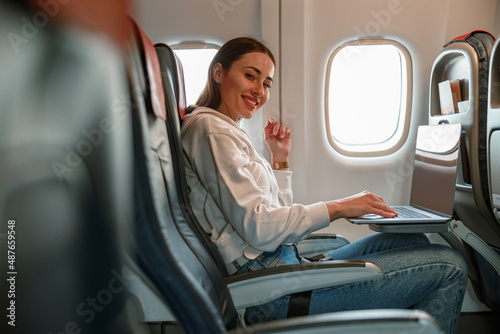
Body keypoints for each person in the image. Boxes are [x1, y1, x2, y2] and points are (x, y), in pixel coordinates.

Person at [180, 37, 467, 334]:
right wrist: (340, 207)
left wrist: (279, 159)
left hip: (283, 266)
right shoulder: (211, 132)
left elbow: (270, 214)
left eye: (266, 82)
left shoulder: (225, 129)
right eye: (250, 75)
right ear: (218, 73)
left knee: (414, 241)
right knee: (449, 266)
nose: (259, 91)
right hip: (273, 291)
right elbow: (261, 228)